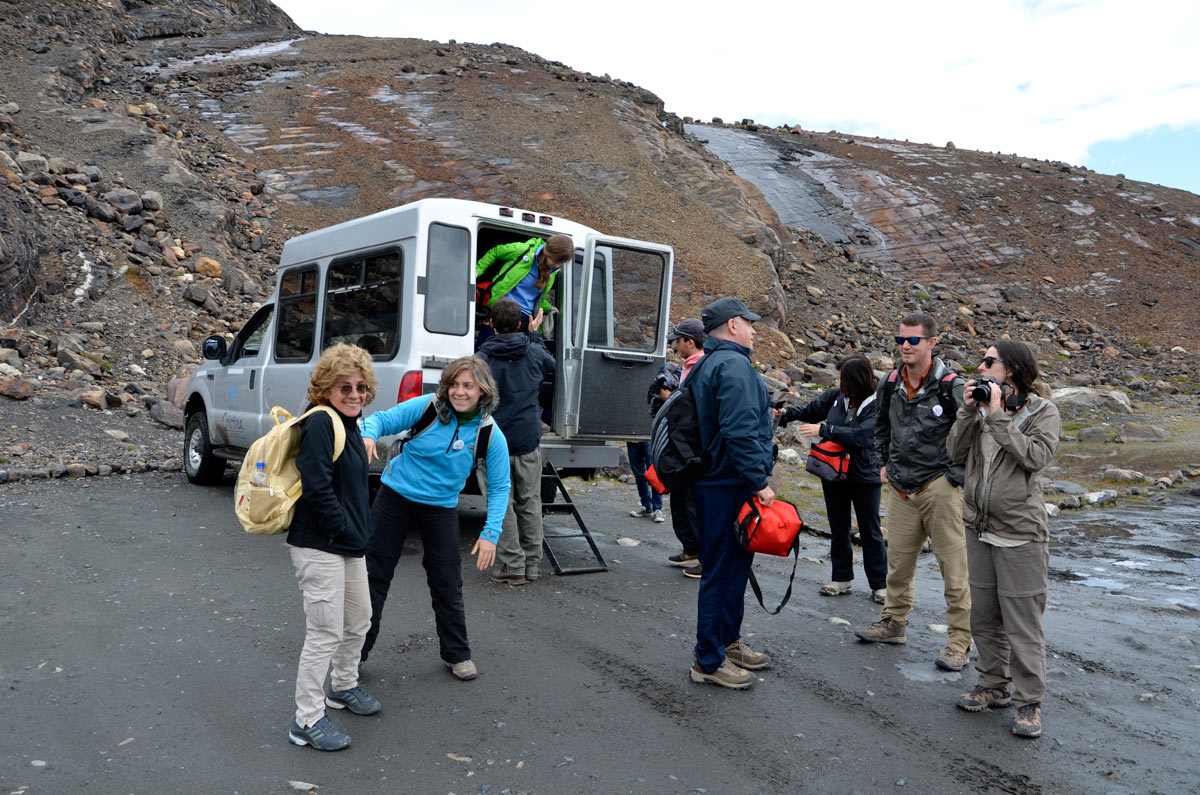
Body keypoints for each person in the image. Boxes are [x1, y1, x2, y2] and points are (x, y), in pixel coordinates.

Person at [359, 356, 511, 681]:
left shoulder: (489, 434)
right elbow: (381, 420)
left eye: (467, 385)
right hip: (394, 498)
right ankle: (354, 655)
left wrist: (490, 533)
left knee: (447, 583)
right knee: (374, 576)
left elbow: (500, 487)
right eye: (454, 384)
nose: (459, 392)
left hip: (440, 507)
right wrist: (368, 434)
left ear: (482, 390)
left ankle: (457, 655)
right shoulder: (428, 407)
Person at [947, 341, 1060, 740]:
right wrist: (967, 411)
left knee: (1022, 623)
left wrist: (998, 417)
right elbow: (953, 451)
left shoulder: (1044, 413)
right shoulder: (978, 409)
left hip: (1021, 532)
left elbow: (1034, 457)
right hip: (979, 527)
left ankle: (1029, 702)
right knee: (984, 614)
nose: (980, 366)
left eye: (988, 361)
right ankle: (992, 682)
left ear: (1010, 369)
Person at [854, 312, 972, 673]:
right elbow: (880, 425)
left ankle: (958, 643)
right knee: (899, 565)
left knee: (954, 570)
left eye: (913, 340)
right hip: (901, 486)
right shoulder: (890, 382)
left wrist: (953, 477)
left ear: (932, 343)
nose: (905, 346)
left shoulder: (951, 385)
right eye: (901, 340)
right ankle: (893, 623)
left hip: (939, 488)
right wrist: (884, 463)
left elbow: (972, 434)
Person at [286, 344, 379, 752]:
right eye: (345, 387)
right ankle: (306, 719)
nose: (355, 394)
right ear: (326, 389)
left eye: (360, 387)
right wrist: (342, 525)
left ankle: (343, 686)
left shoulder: (351, 422)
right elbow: (316, 483)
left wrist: (357, 532)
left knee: (358, 619)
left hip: (348, 544)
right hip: (320, 544)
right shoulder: (323, 421)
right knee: (324, 631)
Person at [688, 297, 775, 689]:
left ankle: (727, 641)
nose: (754, 329)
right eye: (749, 322)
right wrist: (759, 481)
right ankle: (708, 660)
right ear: (732, 325)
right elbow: (740, 432)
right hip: (727, 484)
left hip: (715, 481)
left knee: (732, 568)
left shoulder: (711, 361)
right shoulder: (734, 366)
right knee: (722, 572)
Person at [779, 354, 888, 602]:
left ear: (857, 380)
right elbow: (811, 410)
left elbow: (862, 436)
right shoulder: (837, 397)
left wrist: (824, 430)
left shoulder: (878, 403)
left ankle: (880, 585)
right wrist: (786, 413)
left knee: (870, 530)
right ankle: (841, 579)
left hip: (864, 475)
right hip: (833, 473)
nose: (839, 384)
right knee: (838, 527)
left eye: (843, 379)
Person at [477, 297, 556, 586]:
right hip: (527, 438)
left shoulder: (481, 360)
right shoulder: (534, 353)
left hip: (493, 440)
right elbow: (553, 365)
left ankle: (513, 565)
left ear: (491, 325)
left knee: (502, 503)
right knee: (529, 501)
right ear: (520, 323)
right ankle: (532, 564)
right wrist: (534, 334)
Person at [664, 318, 706, 578]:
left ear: (690, 342)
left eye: (677, 341)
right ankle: (690, 548)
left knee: (693, 501)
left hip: (692, 448)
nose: (675, 346)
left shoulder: (701, 368)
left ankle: (704, 556)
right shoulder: (690, 367)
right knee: (680, 498)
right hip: (682, 446)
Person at [476, 234, 574, 339]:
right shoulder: (523, 250)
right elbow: (495, 252)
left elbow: (534, 297)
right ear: (548, 252)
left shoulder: (553, 272)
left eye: (561, 263)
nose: (557, 265)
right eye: (556, 261)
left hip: (527, 319)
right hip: (505, 310)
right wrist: (478, 270)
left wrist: (549, 307)